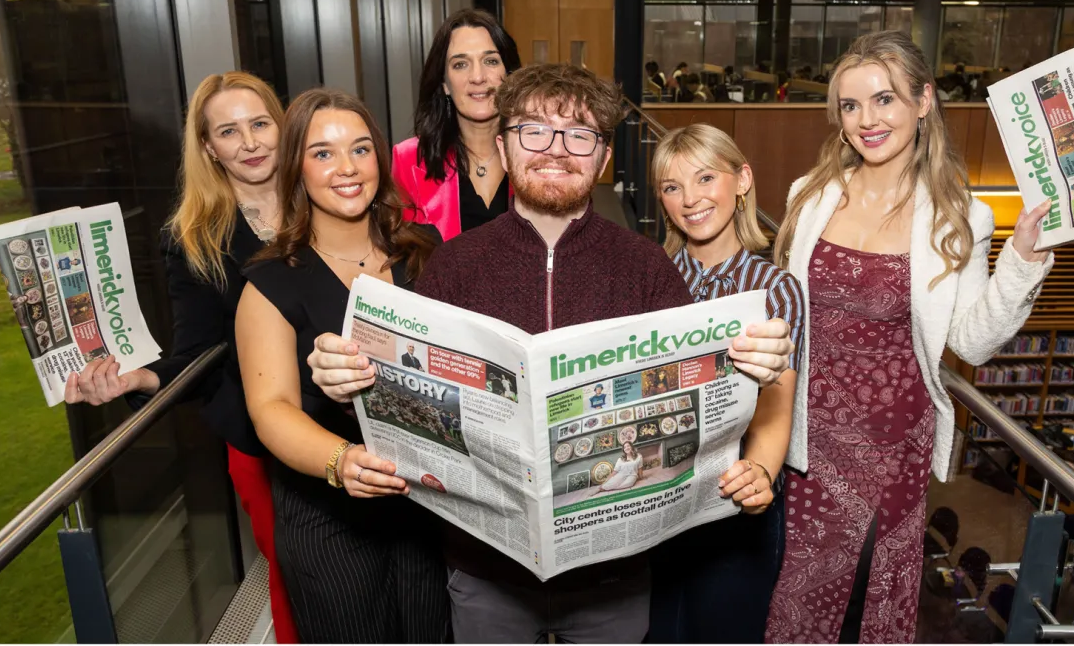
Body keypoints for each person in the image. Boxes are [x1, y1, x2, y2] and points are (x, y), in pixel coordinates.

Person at [304, 63, 794, 643]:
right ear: (505, 148)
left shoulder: (647, 269)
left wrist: (752, 370)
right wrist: (347, 386)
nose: (556, 150)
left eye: (579, 134)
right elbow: (405, 417)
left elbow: (699, 409)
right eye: (534, 130)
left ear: (603, 158)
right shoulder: (453, 265)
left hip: (616, 577)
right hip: (487, 573)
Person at [765, 29, 1055, 643]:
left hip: (892, 447)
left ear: (923, 101)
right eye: (850, 105)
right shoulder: (808, 197)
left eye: (884, 100)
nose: (867, 120)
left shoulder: (958, 215)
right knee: (798, 592)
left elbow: (972, 341)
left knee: (865, 604)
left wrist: (1023, 260)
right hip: (807, 437)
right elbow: (784, 310)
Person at [62, 72, 299, 643]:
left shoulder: (327, 193)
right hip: (261, 437)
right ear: (208, 148)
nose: (250, 142)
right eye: (229, 131)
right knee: (297, 581)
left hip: (354, 416)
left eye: (260, 123)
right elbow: (197, 352)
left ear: (282, 125)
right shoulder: (195, 238)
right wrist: (137, 379)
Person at [235, 88, 446, 642]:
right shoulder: (270, 283)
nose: (347, 168)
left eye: (360, 149)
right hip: (328, 520)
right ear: (296, 169)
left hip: (430, 510)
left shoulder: (429, 253)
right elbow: (270, 408)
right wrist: (342, 461)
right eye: (322, 153)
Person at [646, 123, 804, 644]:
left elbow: (778, 402)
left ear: (742, 180)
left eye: (705, 177)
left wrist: (761, 473)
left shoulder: (775, 288)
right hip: (659, 504)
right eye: (672, 187)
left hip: (734, 503)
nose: (690, 199)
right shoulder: (653, 277)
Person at [393, 8, 523, 241]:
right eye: (460, 64)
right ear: (444, 83)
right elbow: (397, 254)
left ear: (509, 75)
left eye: (491, 61)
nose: (477, 77)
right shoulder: (409, 160)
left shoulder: (537, 153)